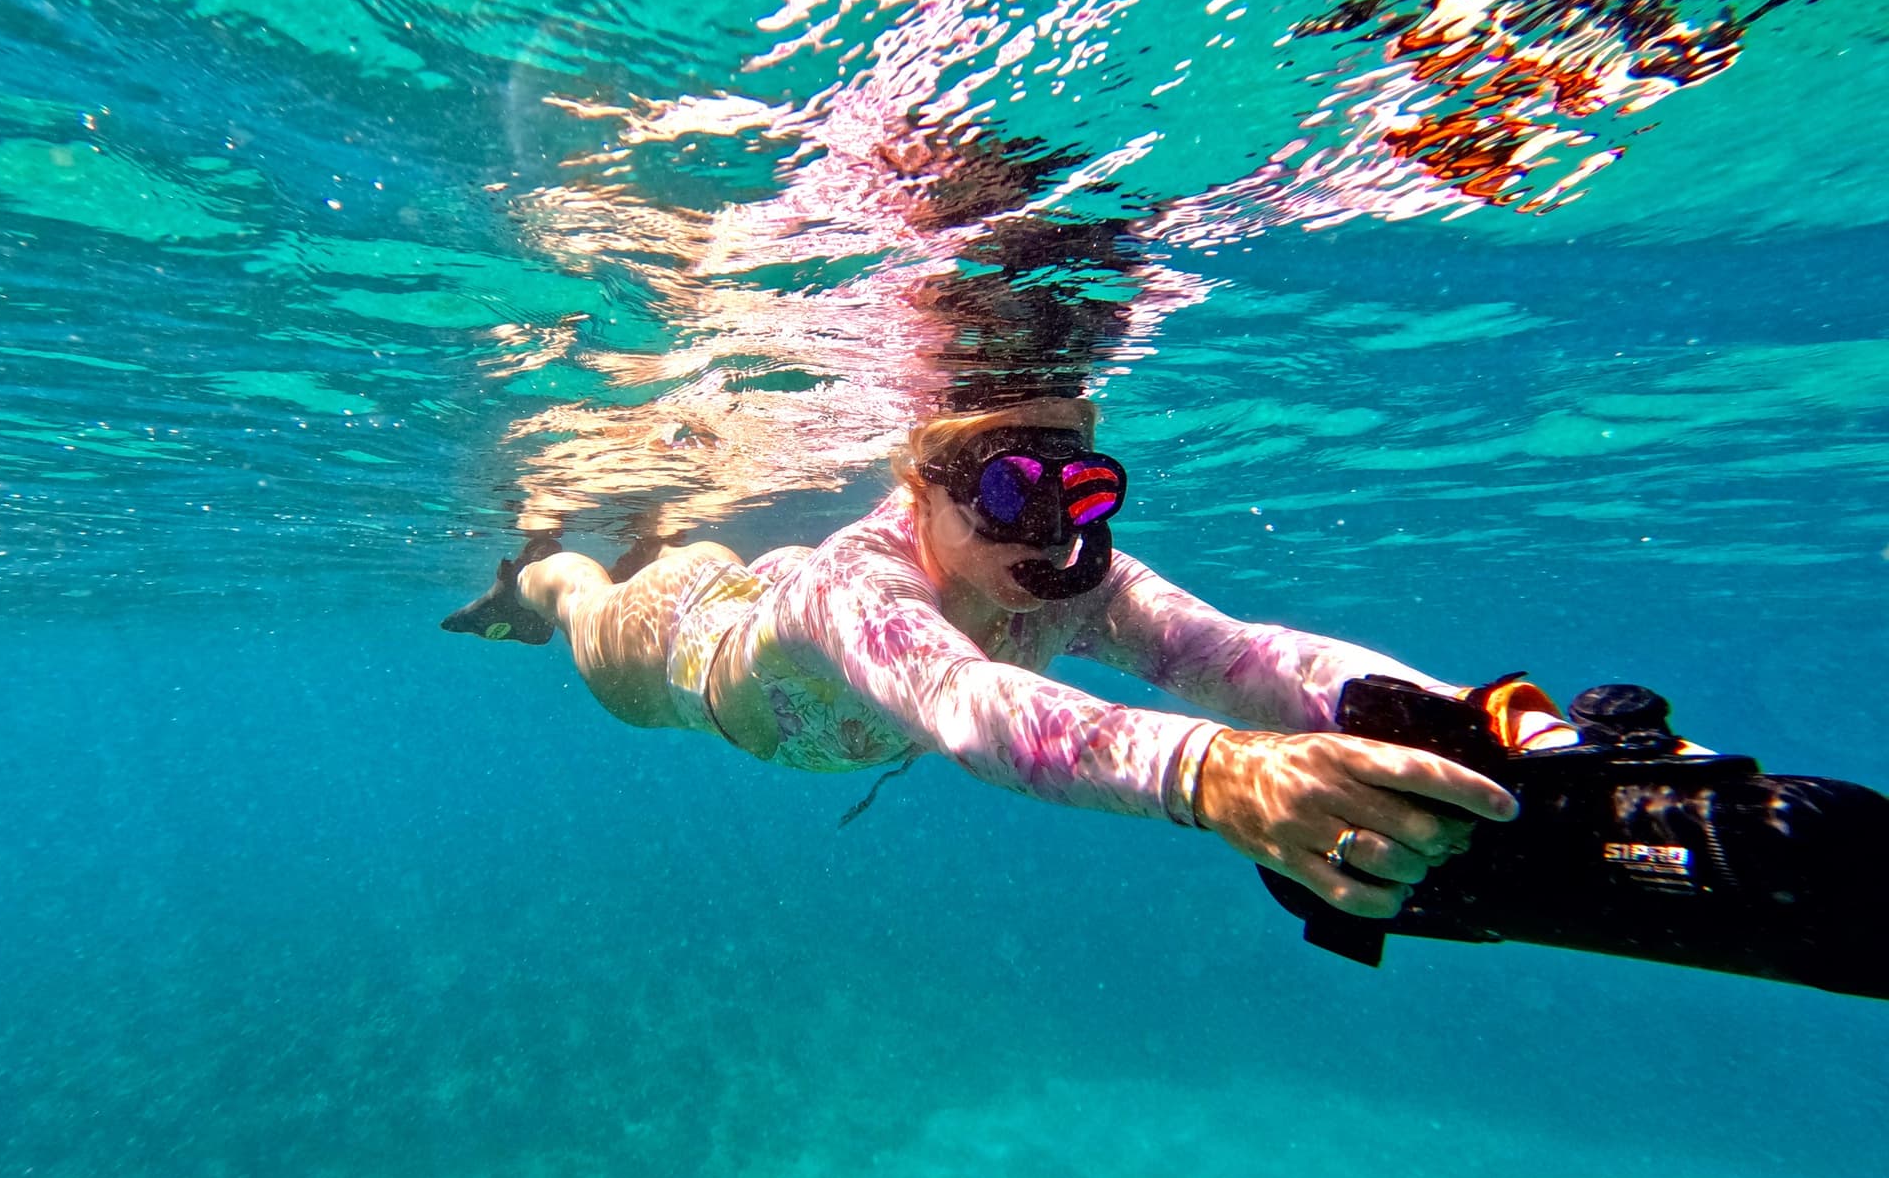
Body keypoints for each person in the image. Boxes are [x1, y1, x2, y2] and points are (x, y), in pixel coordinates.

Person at [444, 396, 1579, 917]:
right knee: (593, 605)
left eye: (1078, 488)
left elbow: (1229, 656)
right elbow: (965, 700)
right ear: (918, 488)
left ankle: (668, 536)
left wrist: (1463, 713)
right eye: (1005, 490)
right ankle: (537, 568)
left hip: (781, 622)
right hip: (687, 652)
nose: (1053, 532)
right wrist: (1222, 774)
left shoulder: (1073, 575)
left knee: (690, 550)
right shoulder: (858, 577)